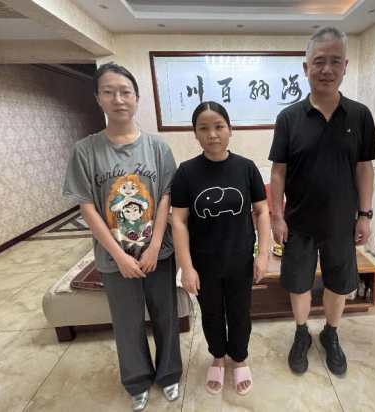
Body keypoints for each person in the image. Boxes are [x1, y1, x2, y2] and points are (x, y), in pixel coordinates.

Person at [63, 63, 182, 411]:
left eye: (125, 91)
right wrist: (119, 256)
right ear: (98, 98)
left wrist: (156, 245)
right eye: (109, 92)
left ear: (136, 98)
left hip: (158, 252)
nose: (118, 99)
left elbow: (166, 196)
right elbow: (87, 207)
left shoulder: (158, 147)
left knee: (166, 316)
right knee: (127, 322)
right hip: (114, 257)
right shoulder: (85, 150)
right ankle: (136, 381)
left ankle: (169, 375)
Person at [268, 27, 375, 376]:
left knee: (338, 282)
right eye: (319, 62)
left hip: (341, 221)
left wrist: (364, 215)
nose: (327, 69)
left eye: (335, 61)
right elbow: (278, 172)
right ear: (306, 68)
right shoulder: (289, 118)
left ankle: (330, 334)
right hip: (298, 222)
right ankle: (301, 333)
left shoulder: (359, 115)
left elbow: (364, 168)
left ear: (345, 66)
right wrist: (277, 216)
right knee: (299, 283)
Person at [170, 101, 270, 396]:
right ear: (195, 133)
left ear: (230, 130)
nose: (212, 134)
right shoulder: (186, 172)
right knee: (211, 313)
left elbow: (262, 212)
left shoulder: (246, 168)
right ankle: (217, 356)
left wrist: (262, 254)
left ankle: (239, 358)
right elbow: (178, 221)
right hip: (204, 263)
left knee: (240, 313)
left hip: (241, 260)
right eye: (204, 128)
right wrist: (186, 267)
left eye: (219, 126)